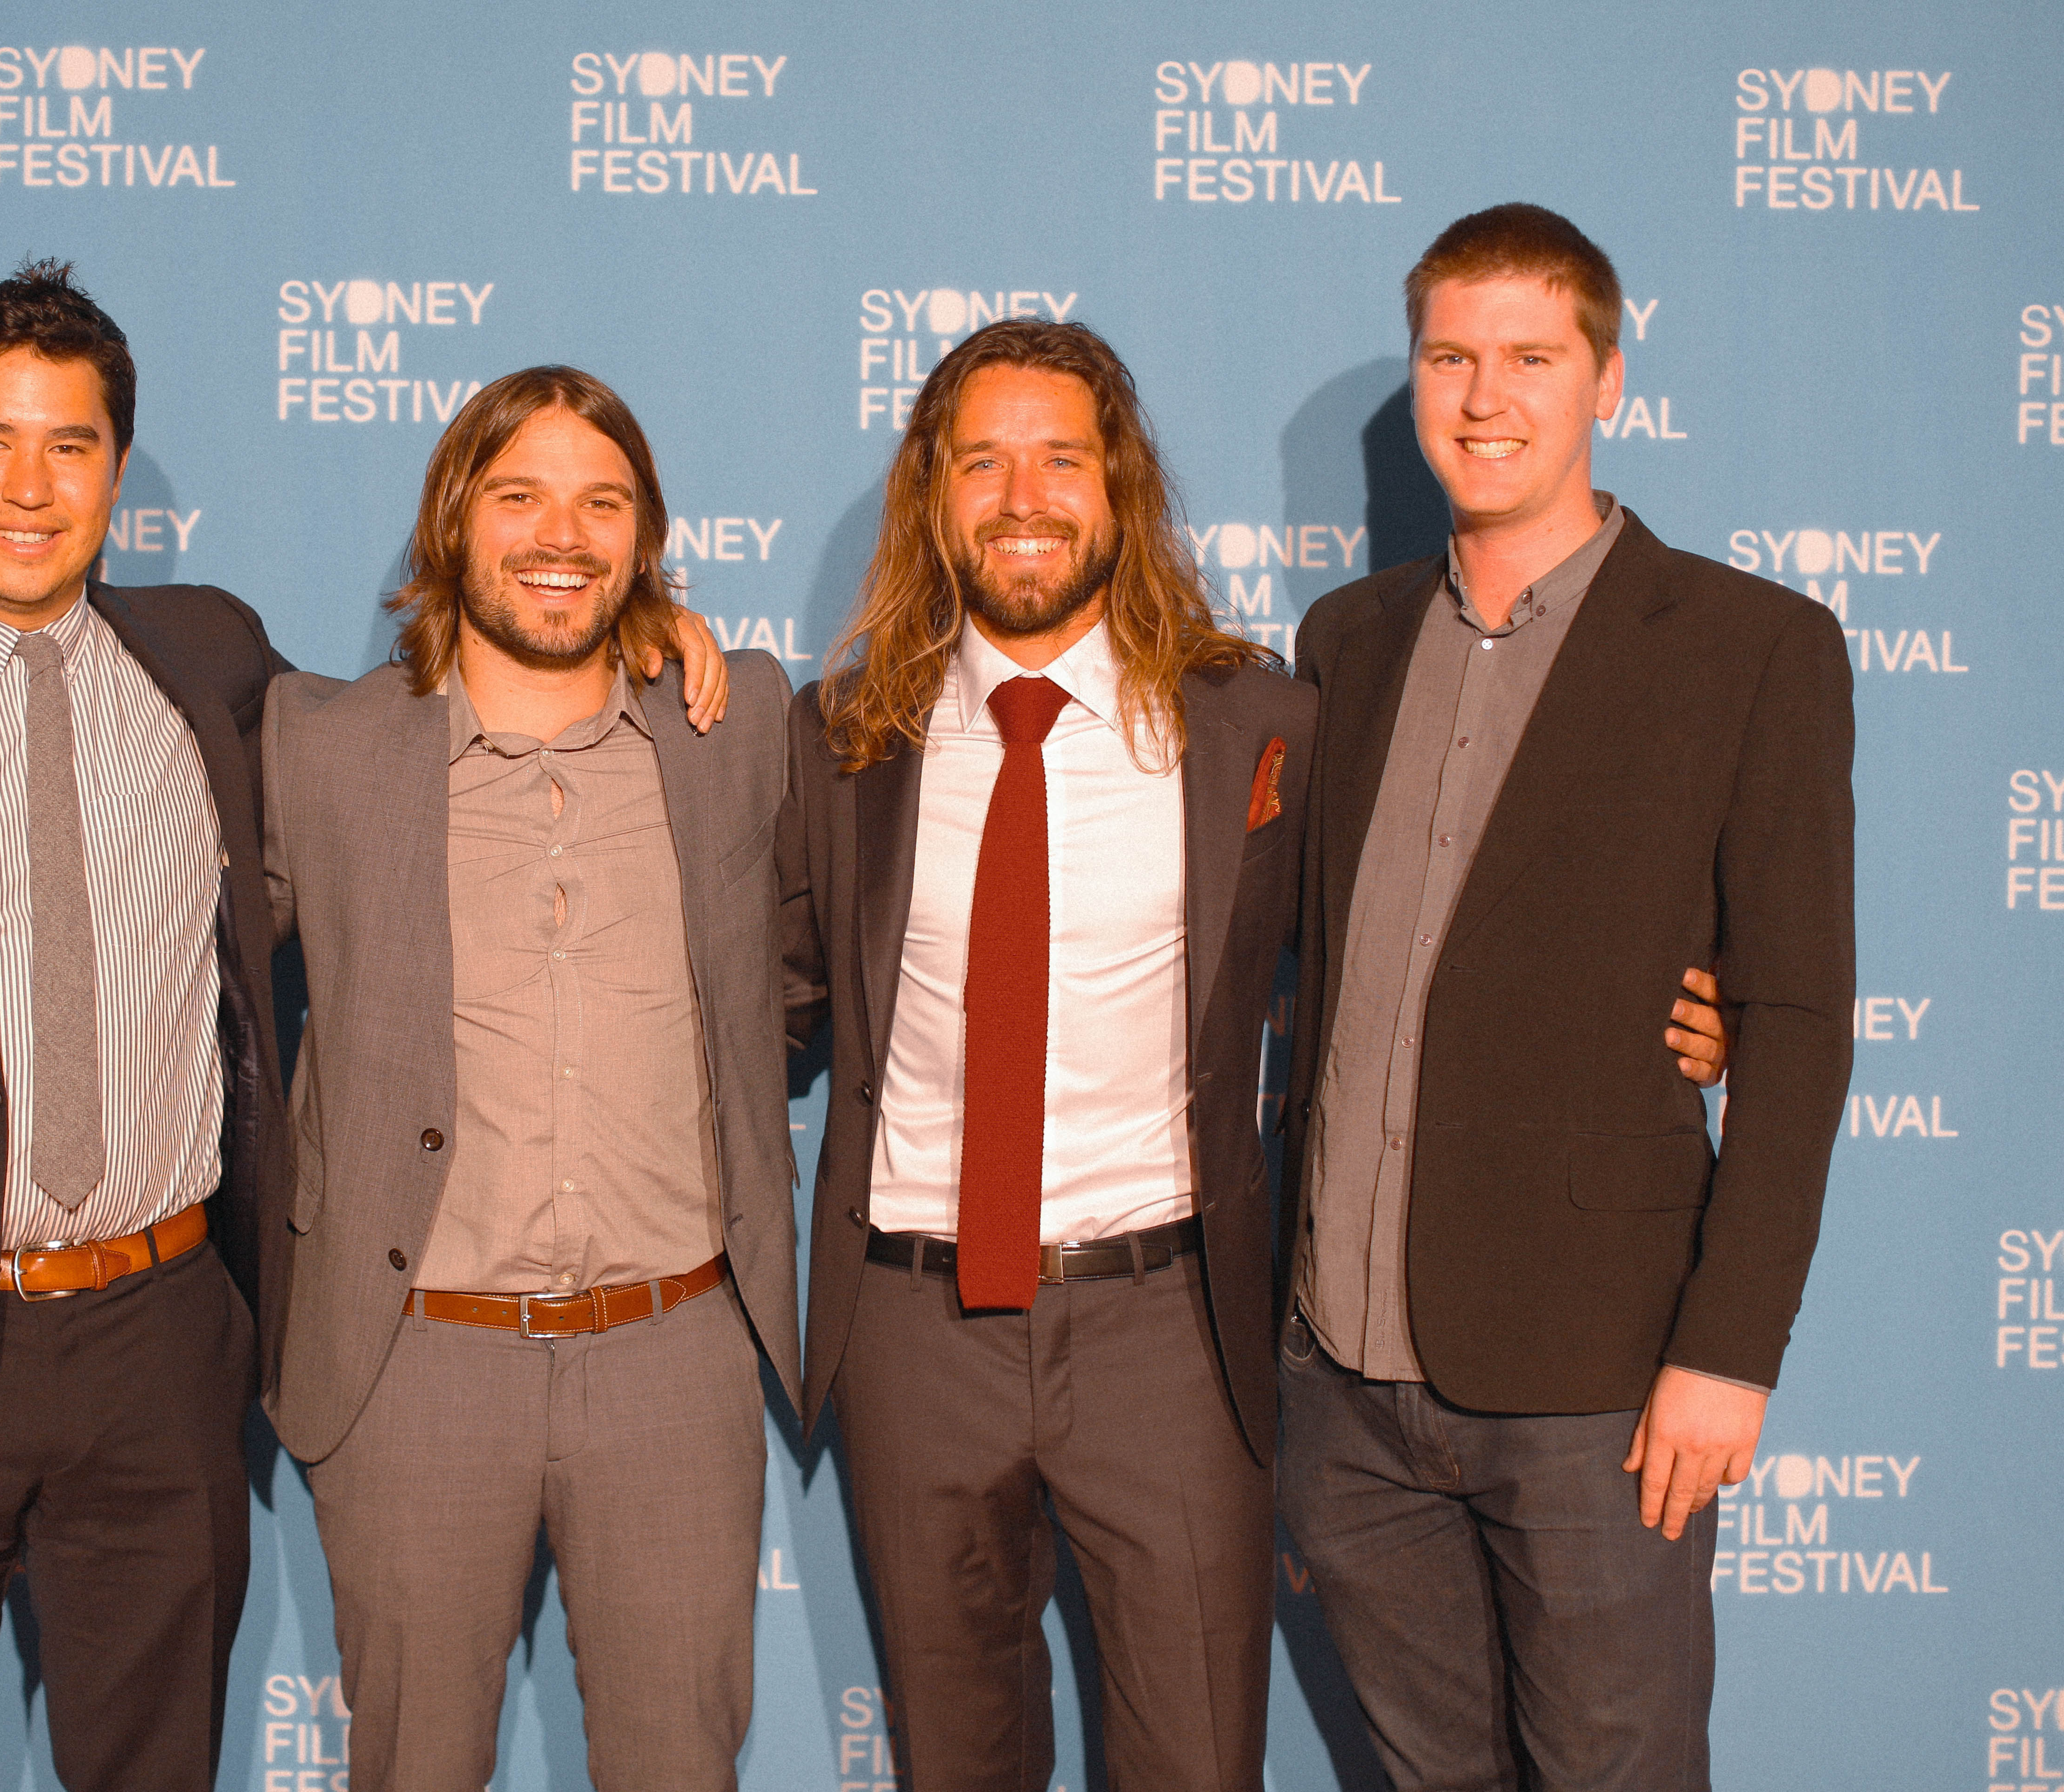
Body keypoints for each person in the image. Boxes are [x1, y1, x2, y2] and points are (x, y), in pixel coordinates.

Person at [0, 263, 730, 1792]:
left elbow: (445, 718)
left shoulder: (211, 664)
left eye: (72, 446)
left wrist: (641, 619)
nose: (31, 489)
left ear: (117, 469)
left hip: (159, 1354)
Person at [1278, 203, 1854, 1792]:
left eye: (1531, 356)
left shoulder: (1753, 647)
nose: (1484, 396)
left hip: (1601, 1381)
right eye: (1451, 355)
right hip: (1346, 1377)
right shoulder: (1345, 641)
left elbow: (1799, 1026)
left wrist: (1729, 1353)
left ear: (1606, 375)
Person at [778, 317, 1310, 1791]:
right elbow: (761, 1004)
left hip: (1168, 1328)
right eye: (983, 462)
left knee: (1198, 1762)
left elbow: (1390, 968)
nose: (1024, 496)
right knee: (957, 1764)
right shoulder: (843, 742)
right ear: (932, 497)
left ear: (1120, 488)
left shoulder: (1252, 723)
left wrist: (1677, 1003)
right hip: (912, 1331)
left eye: (1062, 458)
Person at [258, 366, 792, 1792]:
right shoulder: (319, 745)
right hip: (417, 1360)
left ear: (645, 539)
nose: (563, 533)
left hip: (675, 1354)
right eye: (522, 496)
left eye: (601, 502)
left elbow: (804, 979)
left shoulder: (735, 730)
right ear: (455, 519)